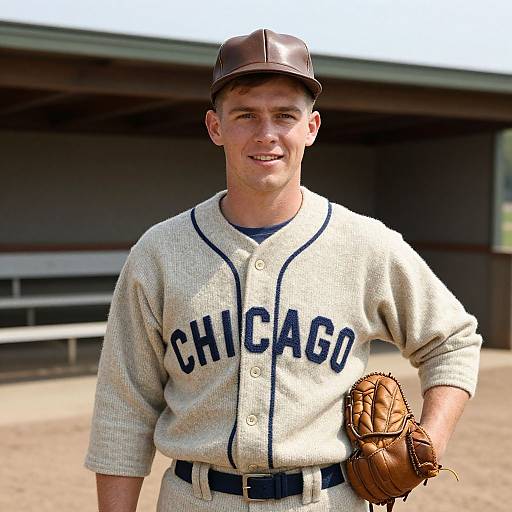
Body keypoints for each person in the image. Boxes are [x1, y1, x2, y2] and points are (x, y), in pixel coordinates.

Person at [85, 29, 482, 512]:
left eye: (285, 116)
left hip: (326, 500)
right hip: (195, 498)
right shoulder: (159, 252)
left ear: (311, 127)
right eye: (246, 115)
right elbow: (123, 411)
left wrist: (433, 440)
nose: (266, 134)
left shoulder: (366, 244)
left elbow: (453, 340)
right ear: (215, 127)